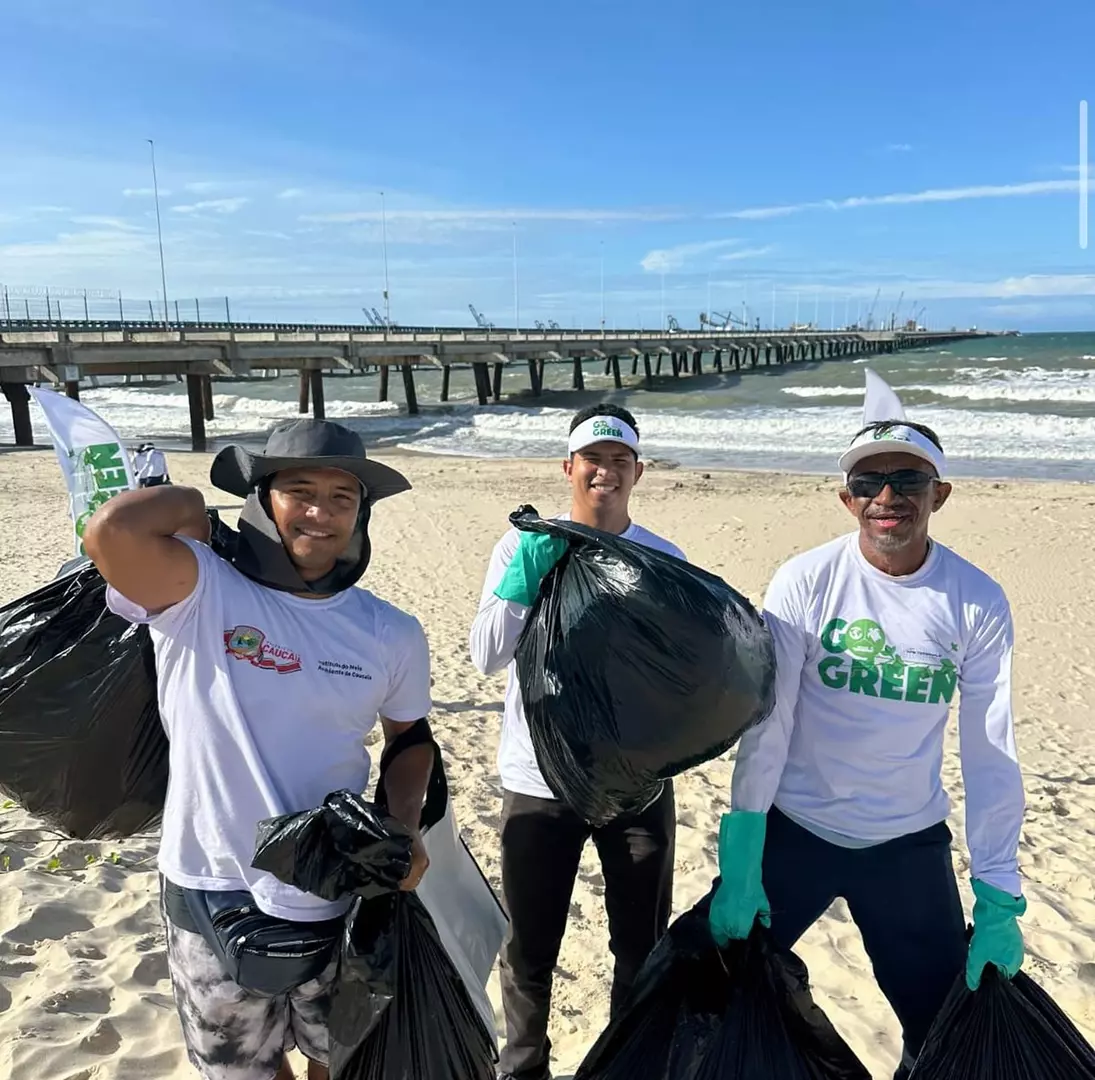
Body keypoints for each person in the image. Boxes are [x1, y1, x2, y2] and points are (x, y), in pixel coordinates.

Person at [84, 419, 435, 1080]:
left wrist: (402, 826)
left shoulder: (390, 632)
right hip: (210, 883)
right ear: (261, 498)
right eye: (298, 491)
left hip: (334, 887)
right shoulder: (197, 588)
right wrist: (191, 507)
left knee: (338, 1059)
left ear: (361, 514)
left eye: (342, 498)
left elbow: (409, 739)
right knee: (246, 1069)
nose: (319, 513)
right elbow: (111, 533)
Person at [709, 416, 1026, 1080]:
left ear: (938, 494)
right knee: (707, 986)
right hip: (795, 832)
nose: (888, 497)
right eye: (868, 482)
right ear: (846, 498)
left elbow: (989, 752)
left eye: (907, 478)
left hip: (905, 844)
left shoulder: (976, 601)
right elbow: (768, 723)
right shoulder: (804, 581)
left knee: (943, 1027)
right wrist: (741, 853)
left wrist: (997, 894)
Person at [469, 404, 685, 1080]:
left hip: (634, 782)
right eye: (592, 458)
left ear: (637, 472)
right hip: (538, 780)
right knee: (530, 946)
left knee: (640, 943)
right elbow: (484, 656)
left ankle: (625, 1063)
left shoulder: (662, 557)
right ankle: (523, 1067)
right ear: (569, 468)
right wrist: (523, 577)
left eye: (619, 460)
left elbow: (684, 674)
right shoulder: (520, 545)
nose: (605, 470)